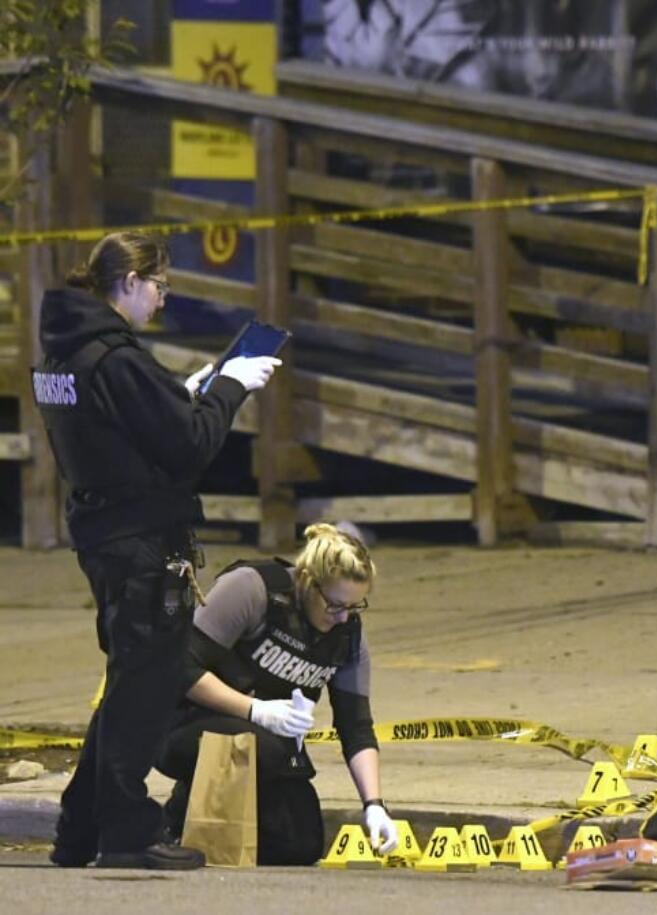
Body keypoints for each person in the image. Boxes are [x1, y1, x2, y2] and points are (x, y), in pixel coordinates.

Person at [34, 231, 281, 869]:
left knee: (130, 681)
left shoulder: (64, 354)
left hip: (102, 532)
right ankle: (126, 831)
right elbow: (190, 446)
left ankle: (80, 828)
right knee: (145, 689)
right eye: (160, 286)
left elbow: (124, 427)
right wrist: (229, 387)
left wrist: (182, 392)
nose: (162, 300)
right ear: (129, 282)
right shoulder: (116, 358)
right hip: (141, 539)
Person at [157, 523, 398, 865]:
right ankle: (173, 819)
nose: (343, 617)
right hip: (181, 723)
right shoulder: (253, 589)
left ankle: (217, 827)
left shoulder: (347, 636)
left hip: (267, 746)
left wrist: (374, 806)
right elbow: (179, 669)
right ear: (308, 581)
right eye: (335, 605)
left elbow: (356, 727)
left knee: (302, 843)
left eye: (355, 607)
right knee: (266, 750)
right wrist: (256, 710)